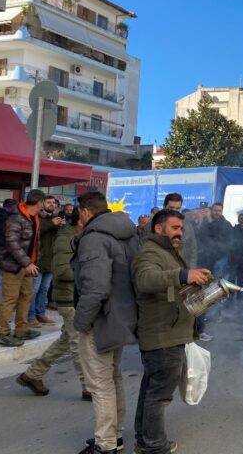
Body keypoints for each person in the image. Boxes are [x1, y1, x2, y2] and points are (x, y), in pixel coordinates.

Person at [133, 209, 212, 454]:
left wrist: (195, 279)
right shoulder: (149, 252)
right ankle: (154, 445)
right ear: (159, 228)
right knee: (159, 395)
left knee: (151, 391)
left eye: (181, 229)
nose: (180, 233)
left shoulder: (167, 251)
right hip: (162, 333)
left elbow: (172, 286)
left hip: (170, 330)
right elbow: (145, 279)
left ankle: (145, 439)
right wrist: (182, 274)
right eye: (175, 228)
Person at [74, 191, 139, 454]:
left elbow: (96, 288)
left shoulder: (94, 239)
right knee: (113, 378)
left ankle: (105, 444)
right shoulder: (130, 233)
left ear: (85, 211)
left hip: (100, 319)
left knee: (100, 384)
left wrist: (81, 321)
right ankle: (115, 435)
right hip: (123, 314)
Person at [17, 209, 88, 400]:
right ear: (81, 219)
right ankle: (89, 387)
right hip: (68, 298)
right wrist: (90, 275)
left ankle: (33, 374)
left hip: (77, 296)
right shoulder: (67, 238)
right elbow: (63, 271)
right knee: (78, 343)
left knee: (66, 339)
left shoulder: (80, 236)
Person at [0, 189, 46, 347]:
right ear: (39, 203)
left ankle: (21, 329)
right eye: (44, 202)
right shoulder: (16, 218)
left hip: (27, 265)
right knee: (10, 299)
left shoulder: (34, 216)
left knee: (26, 296)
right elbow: (12, 243)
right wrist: (27, 263)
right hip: (13, 264)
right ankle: (2, 334)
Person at [28, 195, 64, 327]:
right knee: (34, 289)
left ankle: (41, 314)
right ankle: (30, 316)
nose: (51, 204)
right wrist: (52, 223)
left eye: (53, 202)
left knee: (44, 289)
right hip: (38, 260)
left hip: (51, 260)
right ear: (42, 203)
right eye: (48, 202)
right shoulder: (37, 217)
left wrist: (60, 227)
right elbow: (35, 231)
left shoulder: (55, 218)